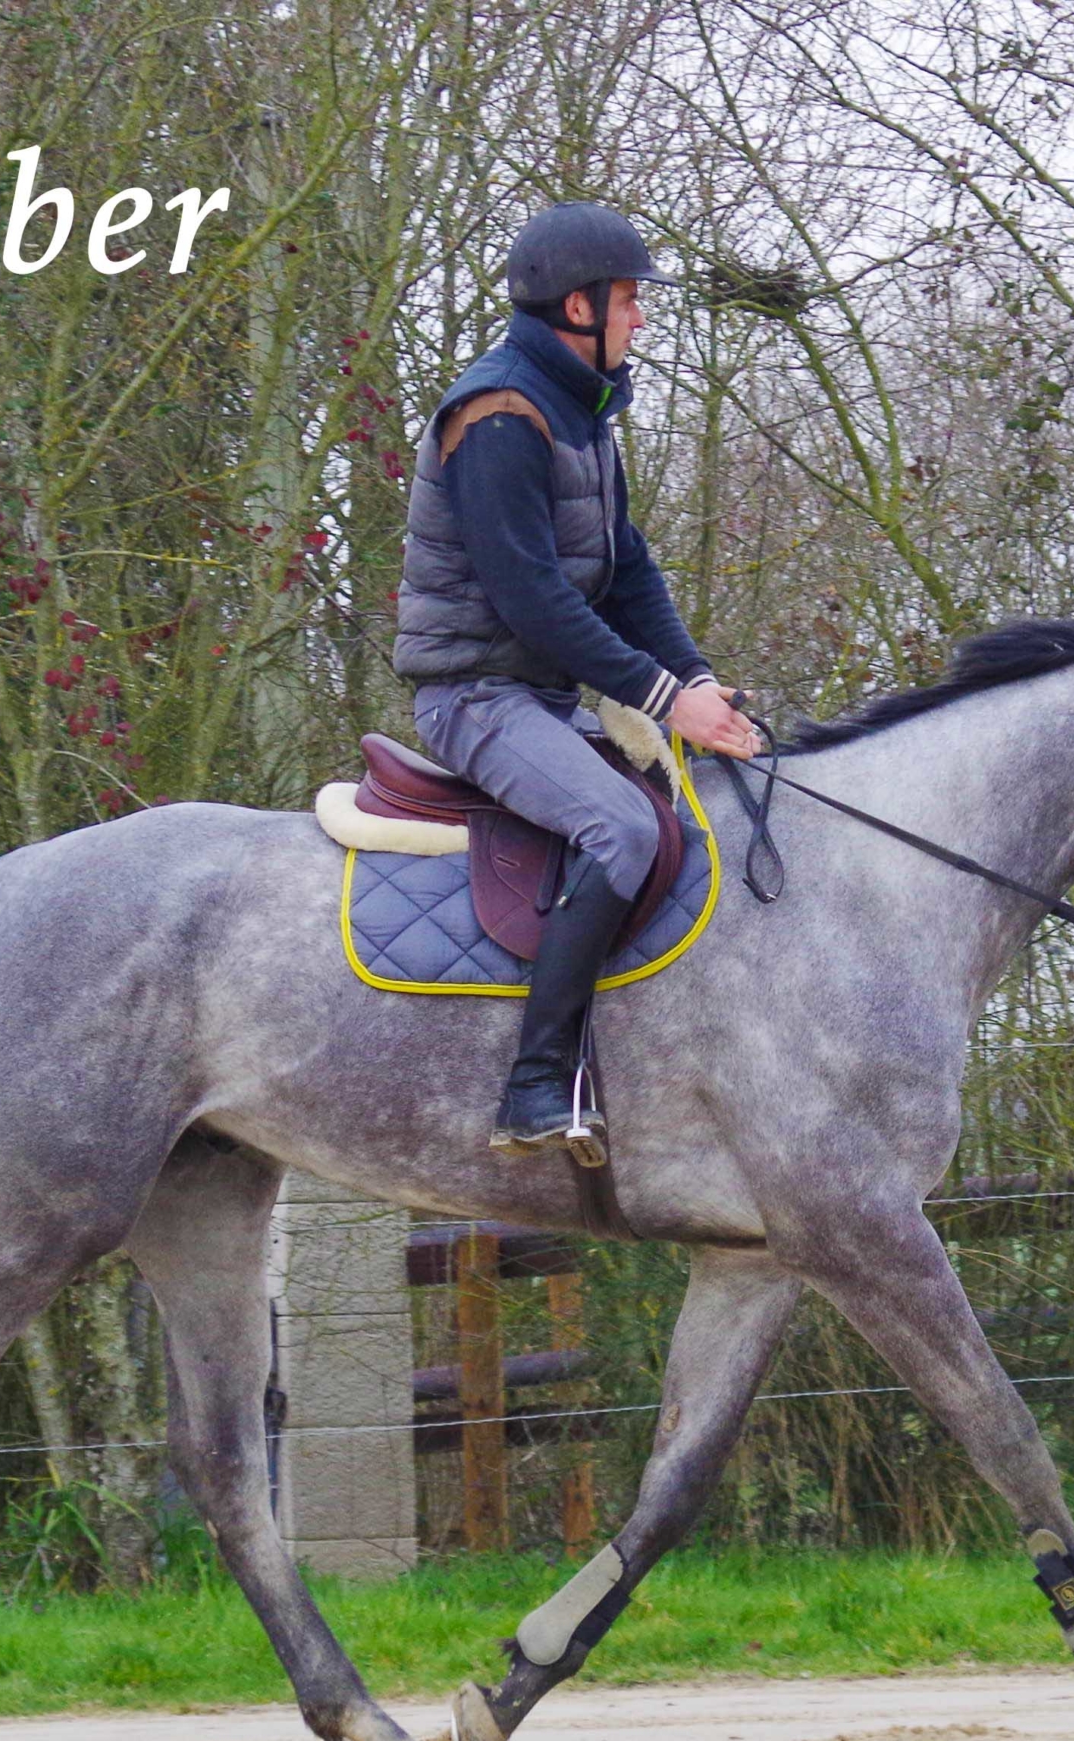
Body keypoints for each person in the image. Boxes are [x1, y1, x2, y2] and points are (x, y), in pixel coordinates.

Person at [391, 200, 761, 1157]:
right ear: (578, 306)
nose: (641, 318)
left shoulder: (582, 411)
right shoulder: (500, 416)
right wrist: (660, 697)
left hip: (540, 698)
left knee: (696, 808)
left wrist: (697, 678)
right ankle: (535, 1084)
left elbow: (625, 566)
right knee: (624, 825)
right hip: (474, 695)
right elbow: (533, 600)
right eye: (630, 299)